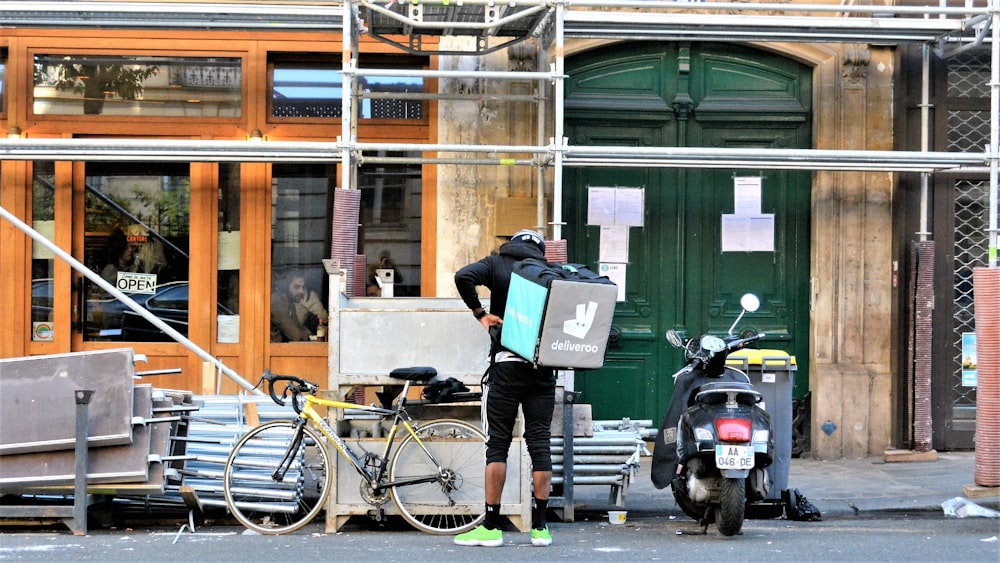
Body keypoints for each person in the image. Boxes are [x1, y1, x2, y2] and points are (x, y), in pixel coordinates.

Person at [452, 229, 556, 548]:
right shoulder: (549, 274)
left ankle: (492, 526)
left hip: (507, 365)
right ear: (539, 250)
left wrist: (481, 314)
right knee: (539, 442)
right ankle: (540, 528)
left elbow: (462, 276)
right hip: (543, 368)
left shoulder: (498, 264)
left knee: (497, 444)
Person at [270, 270, 315, 342]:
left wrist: (310, 335)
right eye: (297, 287)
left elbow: (298, 327)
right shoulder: (276, 301)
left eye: (303, 287)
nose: (301, 291)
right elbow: (294, 333)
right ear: (286, 287)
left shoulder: (290, 304)